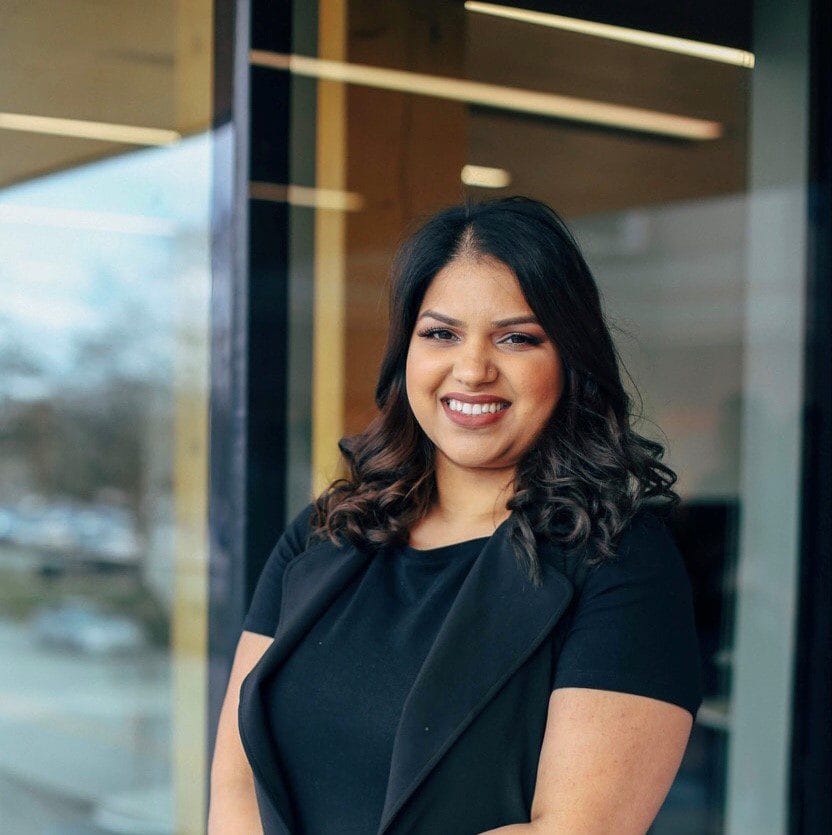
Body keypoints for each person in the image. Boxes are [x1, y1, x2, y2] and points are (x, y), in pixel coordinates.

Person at [209, 195, 704, 834]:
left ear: (568, 360)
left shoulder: (621, 562)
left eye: (517, 337)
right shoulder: (326, 531)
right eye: (440, 333)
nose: (472, 370)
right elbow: (237, 779)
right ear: (406, 353)